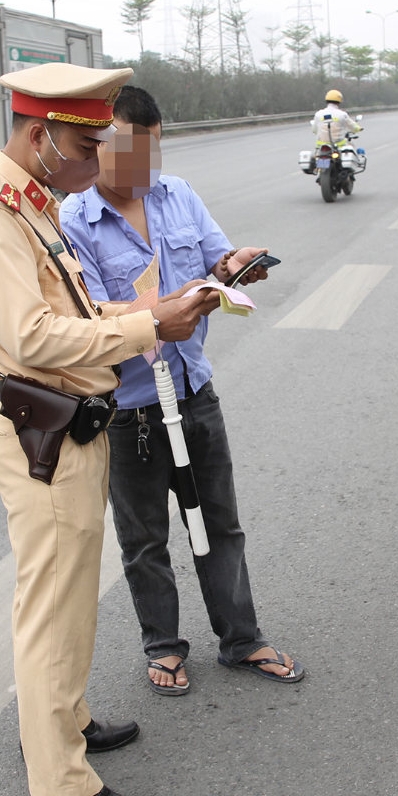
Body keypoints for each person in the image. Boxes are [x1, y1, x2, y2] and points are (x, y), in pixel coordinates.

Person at [0, 63, 216, 796]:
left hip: (73, 423)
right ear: (40, 137)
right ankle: (60, 781)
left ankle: (63, 720)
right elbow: (31, 335)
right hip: (46, 432)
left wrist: (147, 309)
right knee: (53, 610)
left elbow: (71, 305)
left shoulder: (34, 206)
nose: (98, 163)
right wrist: (142, 328)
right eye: (85, 145)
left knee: (68, 600)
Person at [60, 85, 304, 697]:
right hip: (130, 409)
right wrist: (160, 311)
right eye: (121, 153)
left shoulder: (179, 195)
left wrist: (231, 267)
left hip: (193, 389)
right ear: (97, 147)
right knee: (145, 540)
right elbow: (86, 314)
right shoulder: (73, 220)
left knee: (220, 522)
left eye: (150, 152)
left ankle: (241, 638)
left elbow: (215, 259)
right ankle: (163, 648)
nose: (138, 170)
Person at [311, 87, 361, 152]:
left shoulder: (318, 114)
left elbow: (314, 129)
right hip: (339, 147)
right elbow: (353, 127)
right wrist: (359, 128)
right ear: (339, 101)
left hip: (321, 147)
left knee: (315, 157)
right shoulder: (342, 114)